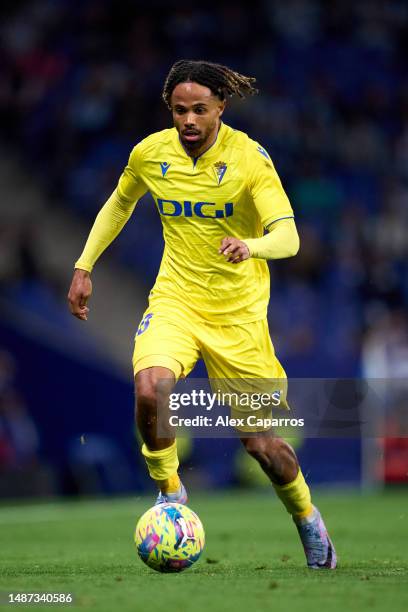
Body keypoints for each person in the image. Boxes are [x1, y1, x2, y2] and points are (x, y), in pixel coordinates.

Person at [68, 60, 336, 569]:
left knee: (263, 447)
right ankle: (170, 492)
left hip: (238, 320)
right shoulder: (150, 153)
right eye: (178, 111)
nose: (187, 121)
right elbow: (118, 205)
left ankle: (307, 520)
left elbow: (290, 237)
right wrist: (84, 266)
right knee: (150, 387)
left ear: (221, 109)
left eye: (199, 110)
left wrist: (251, 245)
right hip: (176, 302)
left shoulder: (250, 160)